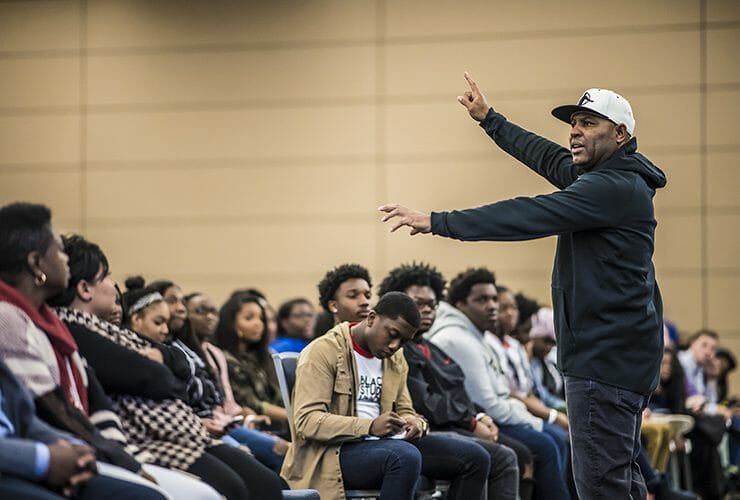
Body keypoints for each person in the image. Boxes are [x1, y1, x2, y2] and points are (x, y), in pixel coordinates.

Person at [380, 72, 667, 499]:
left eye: (589, 123)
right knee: (619, 480)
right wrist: (490, 119)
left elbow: (527, 215)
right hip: (618, 358)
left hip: (603, 362)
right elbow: (547, 157)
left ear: (620, 134)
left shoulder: (611, 188)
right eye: (574, 123)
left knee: (601, 487)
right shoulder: (613, 180)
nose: (575, 131)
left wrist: (438, 222)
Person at [282, 291, 489, 500]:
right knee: (403, 457)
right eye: (392, 334)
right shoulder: (323, 351)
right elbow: (307, 421)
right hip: (334, 452)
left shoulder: (396, 358)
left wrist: (414, 422)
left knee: (475, 457)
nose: (394, 346)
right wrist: (370, 426)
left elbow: (405, 409)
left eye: (403, 341)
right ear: (372, 318)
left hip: (386, 445)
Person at [378, 262, 525, 500]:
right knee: (503, 457)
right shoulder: (396, 349)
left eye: (432, 304)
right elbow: (425, 402)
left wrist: (479, 416)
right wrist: (470, 422)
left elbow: (457, 390)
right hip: (428, 428)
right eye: (419, 304)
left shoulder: (431, 348)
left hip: (452, 425)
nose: (427, 310)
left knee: (518, 451)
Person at [425, 267, 572, 500]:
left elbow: (504, 395)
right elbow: (488, 404)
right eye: (482, 300)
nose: (492, 306)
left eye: (494, 299)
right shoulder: (458, 339)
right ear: (460, 304)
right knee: (545, 445)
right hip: (473, 421)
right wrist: (533, 420)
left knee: (556, 439)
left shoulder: (477, 336)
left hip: (489, 417)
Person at [216, 292, 290, 438]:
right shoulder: (225, 359)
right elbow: (253, 404)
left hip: (280, 423)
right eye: (249, 318)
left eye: (261, 318)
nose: (259, 323)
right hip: (253, 426)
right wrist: (293, 416)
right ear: (231, 323)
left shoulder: (263, 356)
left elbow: (279, 396)